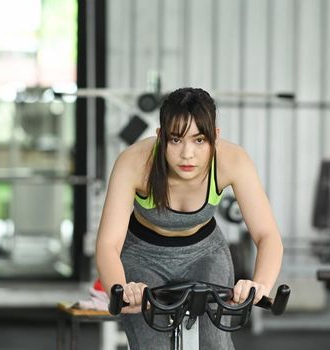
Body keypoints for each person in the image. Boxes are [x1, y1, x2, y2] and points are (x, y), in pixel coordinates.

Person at [95, 87, 283, 349]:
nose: (187, 154)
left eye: (199, 140)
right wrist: (122, 288)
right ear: (160, 136)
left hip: (205, 253)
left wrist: (260, 284)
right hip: (142, 256)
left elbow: (268, 235)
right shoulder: (134, 163)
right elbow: (108, 244)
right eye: (175, 140)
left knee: (215, 343)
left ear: (214, 137)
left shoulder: (233, 161)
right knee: (153, 345)